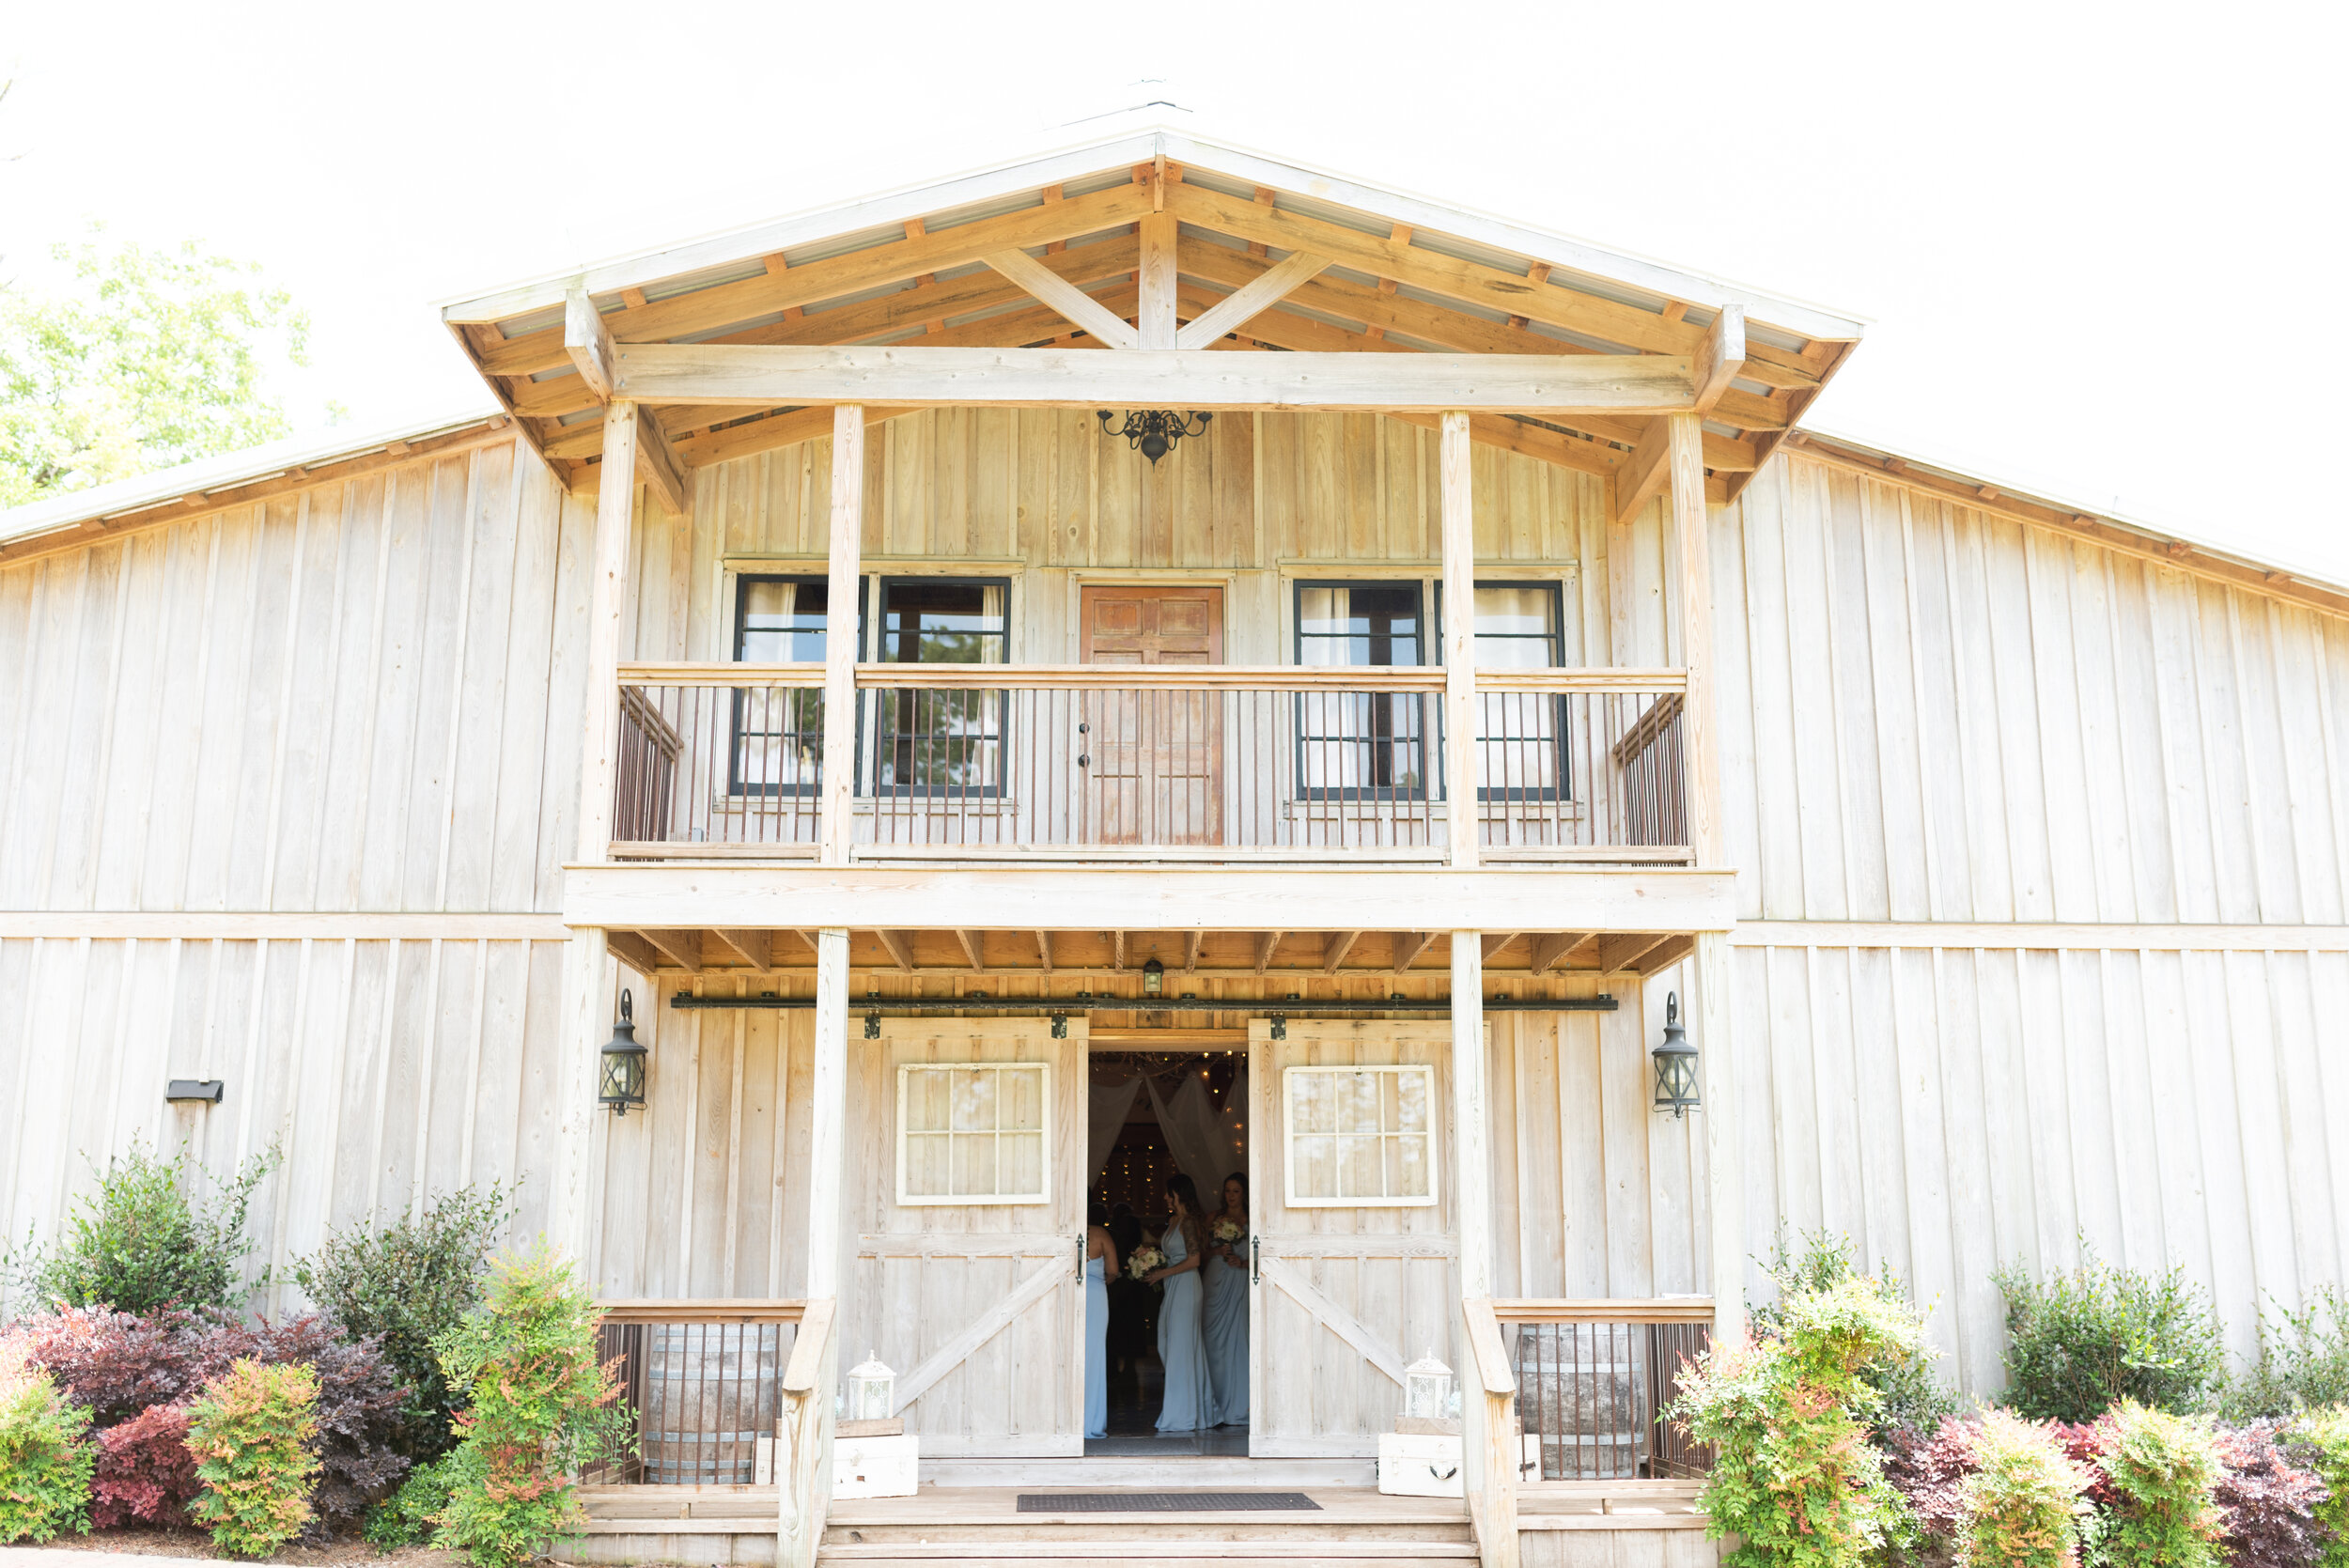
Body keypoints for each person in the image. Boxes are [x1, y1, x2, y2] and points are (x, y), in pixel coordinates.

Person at [1144, 1173, 1212, 1432]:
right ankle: (1194, 1407)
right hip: (1174, 1285)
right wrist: (1149, 1255)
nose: (1164, 1197)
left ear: (1178, 1194)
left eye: (1168, 1193)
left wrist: (1162, 1273)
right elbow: (1173, 1253)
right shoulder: (1174, 1221)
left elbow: (1194, 1260)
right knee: (1166, 1341)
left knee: (1181, 1347)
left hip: (1186, 1285)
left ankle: (1182, 1413)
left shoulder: (1189, 1223)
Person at [1200, 1171, 1250, 1426]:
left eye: (1236, 1191)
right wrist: (1218, 1250)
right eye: (1228, 1191)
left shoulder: (1252, 1218)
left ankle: (1240, 1405)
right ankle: (1214, 1404)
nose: (1231, 1196)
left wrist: (1243, 1263)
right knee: (1212, 1340)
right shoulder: (1213, 1218)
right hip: (1216, 1278)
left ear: (1244, 1193)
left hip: (1240, 1280)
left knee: (1240, 1339)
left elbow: (1265, 1253)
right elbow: (1199, 1254)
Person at [1083, 1197, 1118, 1440]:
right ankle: (1091, 1421)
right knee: (1094, 1357)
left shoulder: (1067, 1232)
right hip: (1095, 1296)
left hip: (1070, 1294)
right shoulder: (1101, 1235)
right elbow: (1114, 1270)